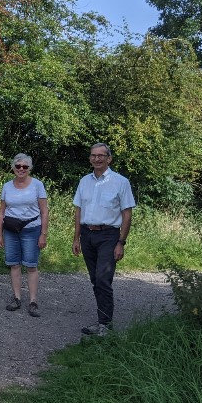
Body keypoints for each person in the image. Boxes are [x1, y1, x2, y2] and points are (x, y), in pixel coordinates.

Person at [72, 142, 135, 336]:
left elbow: (127, 214)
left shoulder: (120, 182)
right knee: (94, 279)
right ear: (90, 158)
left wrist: (121, 242)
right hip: (87, 234)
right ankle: (102, 322)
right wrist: (76, 238)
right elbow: (78, 210)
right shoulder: (84, 181)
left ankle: (105, 325)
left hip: (109, 235)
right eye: (93, 155)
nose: (97, 159)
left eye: (101, 155)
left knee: (103, 278)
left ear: (109, 158)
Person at [0, 153, 49, 318]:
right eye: (18, 166)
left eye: (25, 166)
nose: (21, 169)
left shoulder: (37, 185)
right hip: (10, 229)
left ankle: (33, 301)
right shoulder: (7, 186)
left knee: (31, 265)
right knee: (14, 264)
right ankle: (17, 298)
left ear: (30, 168)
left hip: (32, 228)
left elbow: (44, 211)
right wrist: (0, 235)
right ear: (13, 167)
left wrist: (43, 234)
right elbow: (1, 212)